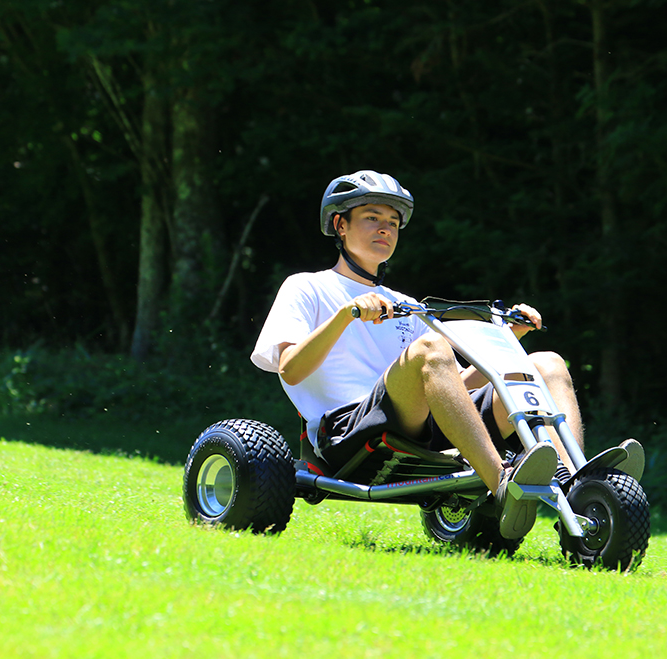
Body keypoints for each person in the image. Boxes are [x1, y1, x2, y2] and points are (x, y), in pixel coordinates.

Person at [251, 170, 585, 539]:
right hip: (347, 434)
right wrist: (346, 315)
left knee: (547, 363)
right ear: (340, 226)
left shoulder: (405, 305)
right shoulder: (307, 287)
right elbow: (290, 369)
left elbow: (452, 387)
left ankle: (580, 492)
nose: (385, 229)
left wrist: (510, 340)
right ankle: (501, 485)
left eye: (393, 222)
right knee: (431, 348)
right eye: (372, 217)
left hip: (424, 426)